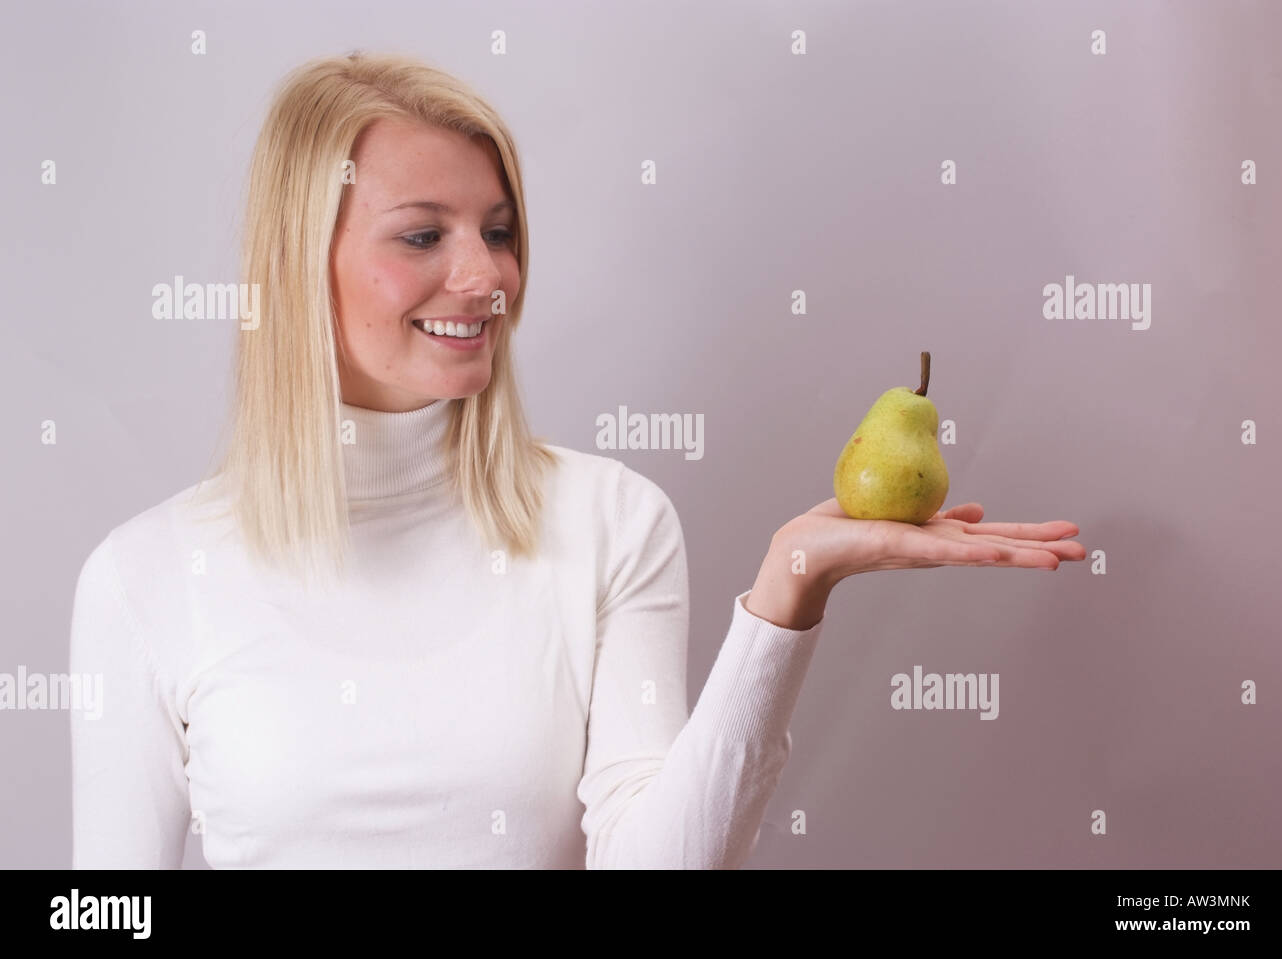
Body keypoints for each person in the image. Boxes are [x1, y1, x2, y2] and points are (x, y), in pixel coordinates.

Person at [68, 51, 1084, 870]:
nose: (485, 274)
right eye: (423, 234)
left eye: (498, 231)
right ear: (299, 266)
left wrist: (790, 588)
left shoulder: (610, 521)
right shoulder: (147, 574)